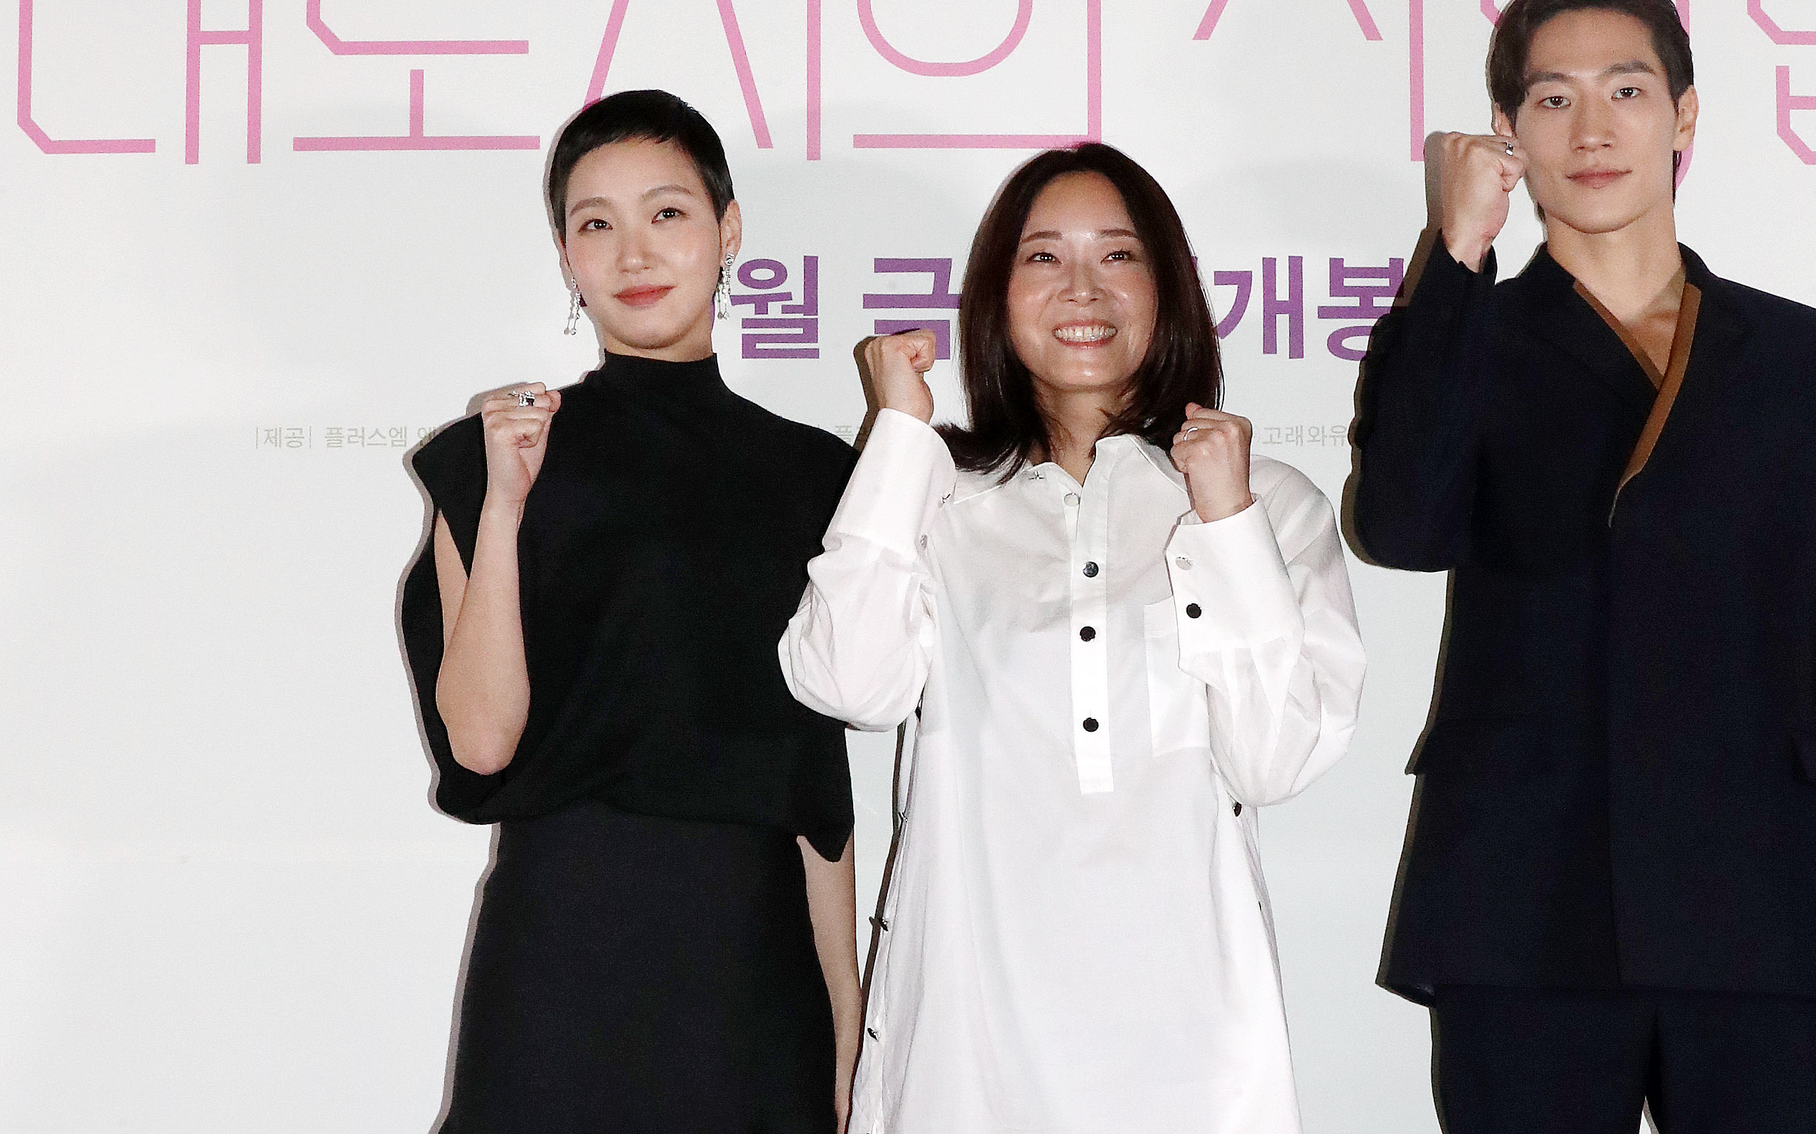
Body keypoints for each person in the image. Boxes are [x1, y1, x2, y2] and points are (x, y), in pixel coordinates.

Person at [1352, 0, 1816, 1132]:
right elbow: (1400, 528)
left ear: (1682, 114)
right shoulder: (1465, 335)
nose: (1591, 127)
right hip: (1522, 896)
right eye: (1551, 98)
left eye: (1624, 89)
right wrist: (1452, 250)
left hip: (1761, 904)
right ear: (1508, 132)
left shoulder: (1806, 359)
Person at [780, 143, 1368, 1134]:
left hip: (1195, 1059)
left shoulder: (1269, 501)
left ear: (1168, 286)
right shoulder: (942, 500)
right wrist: (896, 439)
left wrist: (1225, 523)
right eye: (1043, 258)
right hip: (969, 1060)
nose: (1081, 288)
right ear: (996, 299)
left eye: (1118, 256)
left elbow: (1273, 758)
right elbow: (845, 681)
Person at [399, 89, 863, 1132]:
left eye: (666, 213)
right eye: (593, 223)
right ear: (565, 255)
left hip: (750, 961)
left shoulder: (819, 476)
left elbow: (814, 785)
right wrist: (507, 504)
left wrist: (842, 1016)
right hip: (564, 948)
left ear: (726, 229)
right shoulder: (495, 454)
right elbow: (480, 741)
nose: (631, 252)